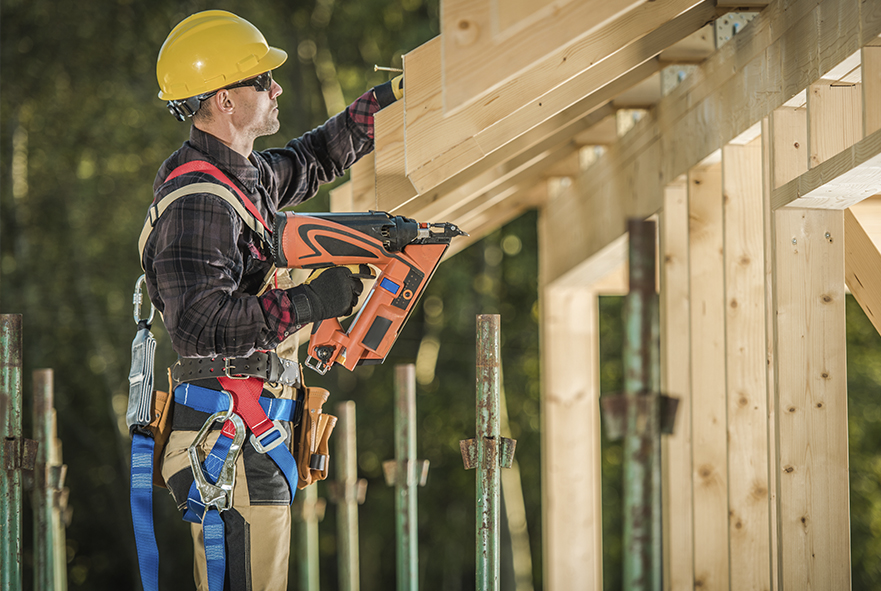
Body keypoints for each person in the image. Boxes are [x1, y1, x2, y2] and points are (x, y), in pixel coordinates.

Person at [140, 10, 402, 590]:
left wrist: (386, 102)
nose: (275, 87)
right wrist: (313, 302)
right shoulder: (197, 201)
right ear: (224, 100)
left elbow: (312, 159)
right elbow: (200, 328)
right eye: (261, 80)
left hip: (248, 435)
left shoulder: (241, 178)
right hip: (226, 441)